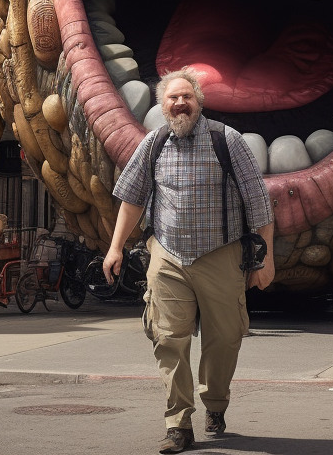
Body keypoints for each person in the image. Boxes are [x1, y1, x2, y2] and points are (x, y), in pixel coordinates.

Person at [103, 68, 274, 455]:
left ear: (199, 101)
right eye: (172, 98)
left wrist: (267, 259)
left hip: (221, 253)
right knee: (167, 338)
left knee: (225, 338)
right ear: (162, 105)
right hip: (167, 255)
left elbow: (259, 204)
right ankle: (178, 423)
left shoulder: (226, 140)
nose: (180, 103)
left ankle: (215, 402)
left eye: (187, 97)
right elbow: (131, 200)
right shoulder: (154, 143)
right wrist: (115, 247)